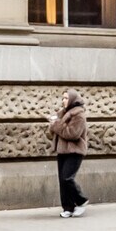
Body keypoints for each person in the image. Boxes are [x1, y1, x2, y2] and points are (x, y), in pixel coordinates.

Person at [48, 90, 89, 218]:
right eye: (63, 98)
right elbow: (52, 133)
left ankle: (81, 200)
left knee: (67, 178)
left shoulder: (79, 115)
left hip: (75, 151)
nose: (63, 101)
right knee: (62, 180)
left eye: (66, 98)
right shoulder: (62, 114)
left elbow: (73, 134)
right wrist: (52, 125)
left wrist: (56, 125)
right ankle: (68, 207)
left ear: (72, 100)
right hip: (62, 150)